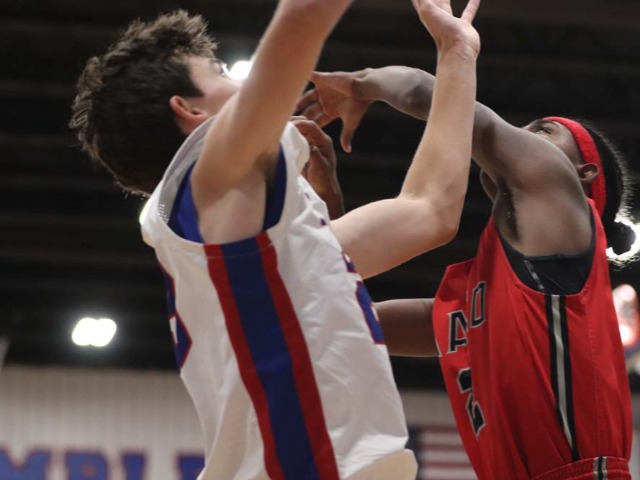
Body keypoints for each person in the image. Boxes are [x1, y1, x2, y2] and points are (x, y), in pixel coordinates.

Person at [68, 0, 482, 477]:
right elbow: (305, 12)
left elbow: (429, 210)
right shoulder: (208, 177)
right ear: (190, 109)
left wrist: (456, 53)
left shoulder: (246, 243)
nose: (242, 82)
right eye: (221, 71)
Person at [299, 66, 636, 478]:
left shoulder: (557, 191)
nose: (520, 134)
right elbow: (343, 318)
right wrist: (324, 197)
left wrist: (360, 83)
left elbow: (429, 94)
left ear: (583, 174)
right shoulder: (486, 297)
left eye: (543, 132)